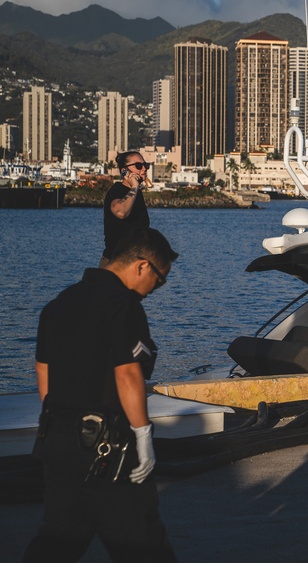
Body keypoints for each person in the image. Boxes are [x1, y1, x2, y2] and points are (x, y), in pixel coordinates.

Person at [26, 227, 178, 562]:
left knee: (57, 540)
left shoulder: (58, 304)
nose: (156, 288)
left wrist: (61, 421)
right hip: (108, 449)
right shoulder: (123, 306)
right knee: (142, 542)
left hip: (58, 443)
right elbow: (127, 373)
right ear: (141, 266)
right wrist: (143, 435)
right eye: (160, 279)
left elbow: (43, 372)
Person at [102, 151, 152, 267]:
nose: (144, 168)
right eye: (138, 166)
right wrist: (134, 186)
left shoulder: (136, 194)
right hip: (116, 264)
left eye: (146, 165)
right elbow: (120, 212)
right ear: (124, 170)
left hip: (132, 263)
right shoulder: (118, 190)